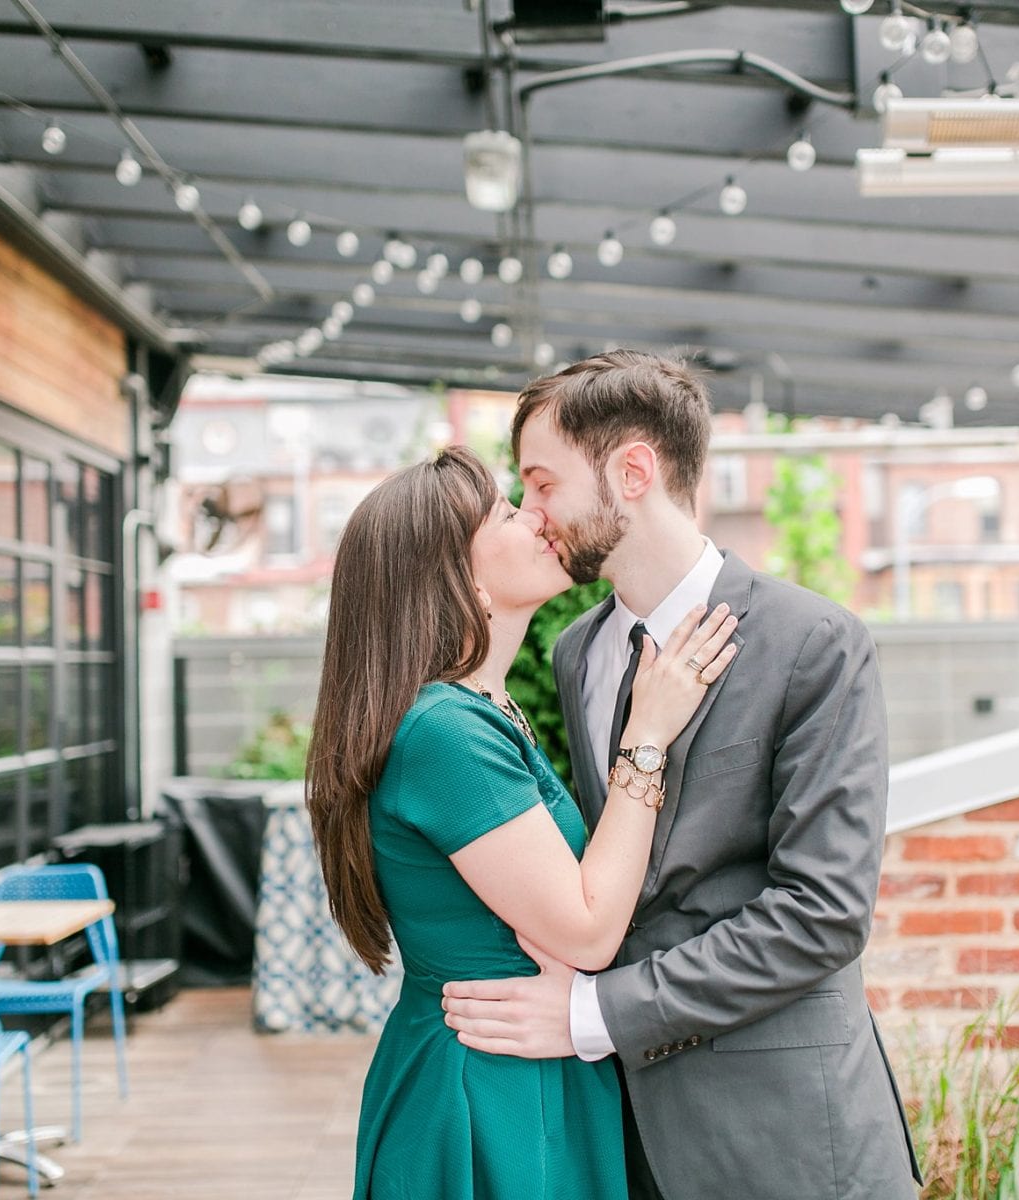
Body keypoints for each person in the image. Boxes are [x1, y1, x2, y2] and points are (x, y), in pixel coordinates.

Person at [440, 351, 922, 1200]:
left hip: (787, 1136)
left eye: (544, 484)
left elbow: (823, 916)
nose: (532, 512)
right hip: (626, 1135)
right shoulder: (575, 651)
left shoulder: (814, 644)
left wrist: (595, 1015)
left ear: (632, 472)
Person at [307, 445, 738, 1199]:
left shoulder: (481, 713)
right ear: (455, 573)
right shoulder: (445, 733)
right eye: (509, 512)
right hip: (492, 1090)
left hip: (520, 1066)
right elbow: (587, 926)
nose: (538, 516)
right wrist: (647, 734)